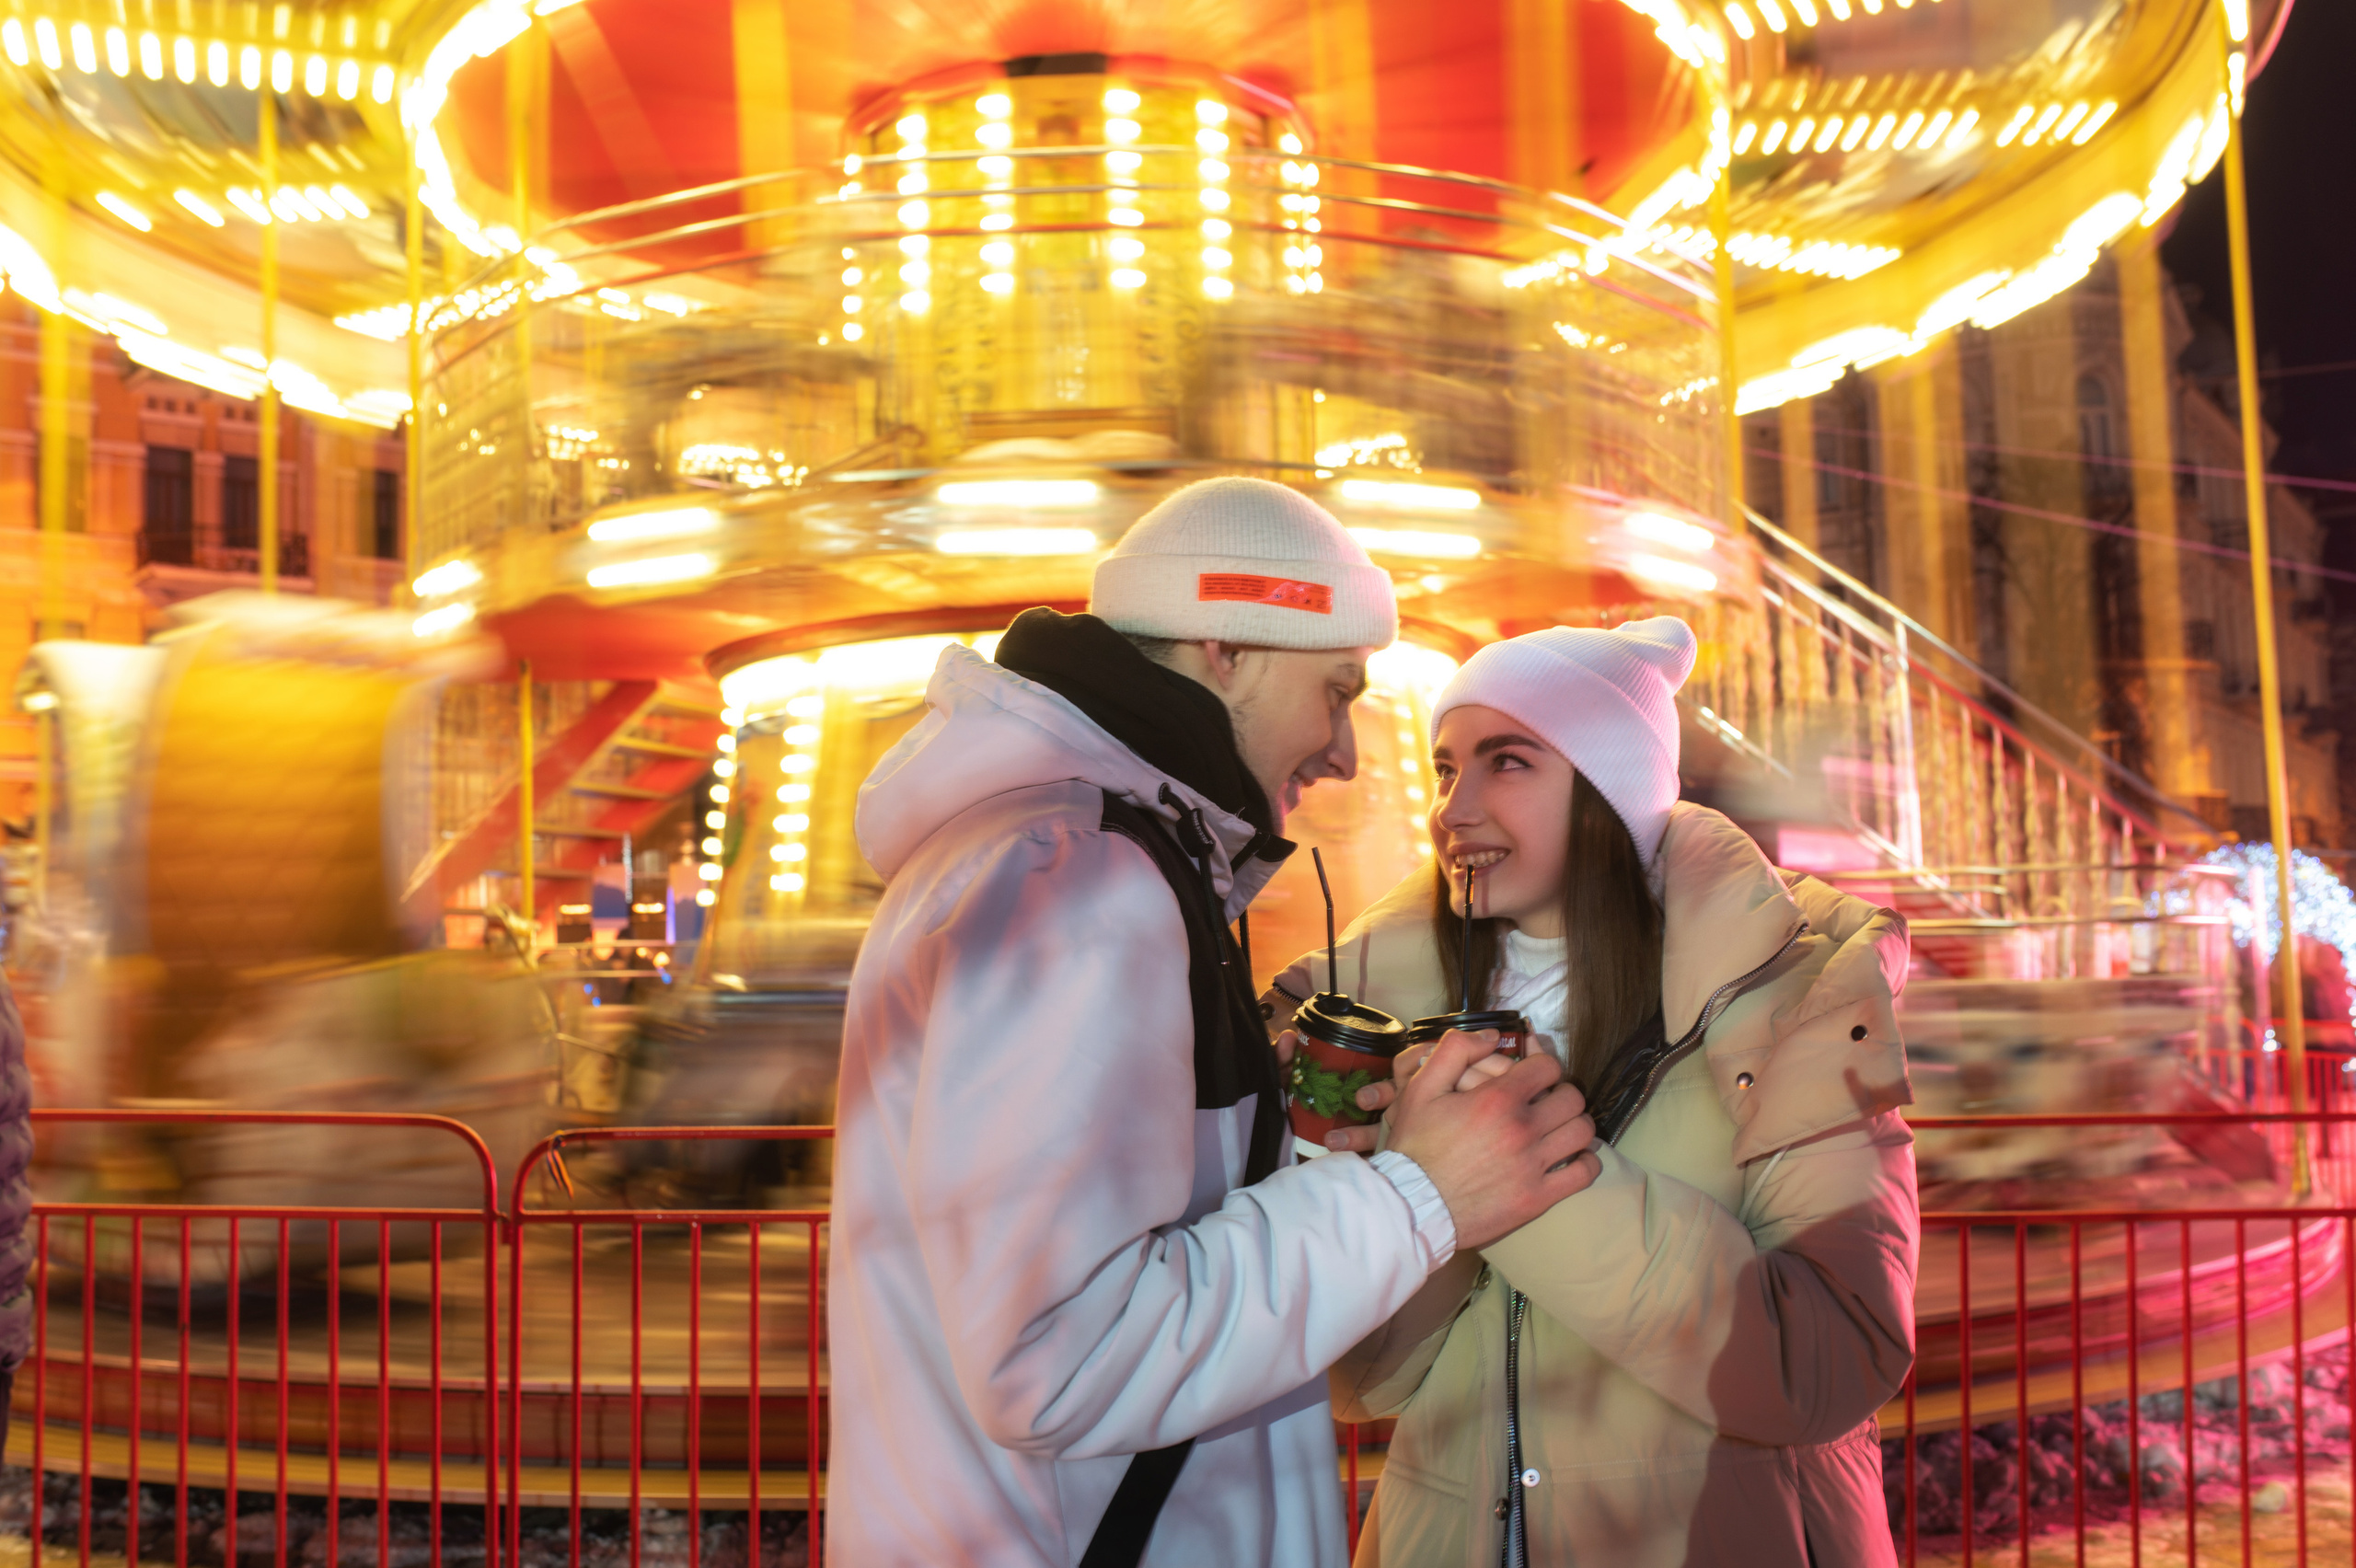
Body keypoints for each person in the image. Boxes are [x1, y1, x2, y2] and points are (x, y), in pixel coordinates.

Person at [827, 478, 1600, 1568]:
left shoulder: (1058, 856)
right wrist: (1419, 1196)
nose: (1341, 752)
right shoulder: (1082, 880)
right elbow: (1057, 1356)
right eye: (1335, 692)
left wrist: (1271, 1139)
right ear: (1226, 649)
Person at [1276, 617, 1919, 1567]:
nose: (1451, 809)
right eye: (1447, 769)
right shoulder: (1396, 1010)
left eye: (1508, 762)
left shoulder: (1793, 1008)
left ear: (1608, 792)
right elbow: (1368, 1380)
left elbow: (1827, 1357)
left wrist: (1523, 1169)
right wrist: (1343, 1189)